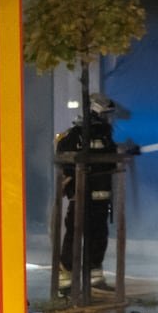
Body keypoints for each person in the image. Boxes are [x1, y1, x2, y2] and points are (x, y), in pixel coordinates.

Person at [57, 95, 118, 292]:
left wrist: (123, 151)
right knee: (75, 234)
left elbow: (111, 159)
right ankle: (65, 280)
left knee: (99, 235)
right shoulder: (74, 136)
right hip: (81, 195)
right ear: (94, 111)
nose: (109, 119)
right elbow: (64, 162)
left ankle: (94, 278)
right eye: (106, 114)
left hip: (101, 196)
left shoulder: (106, 135)